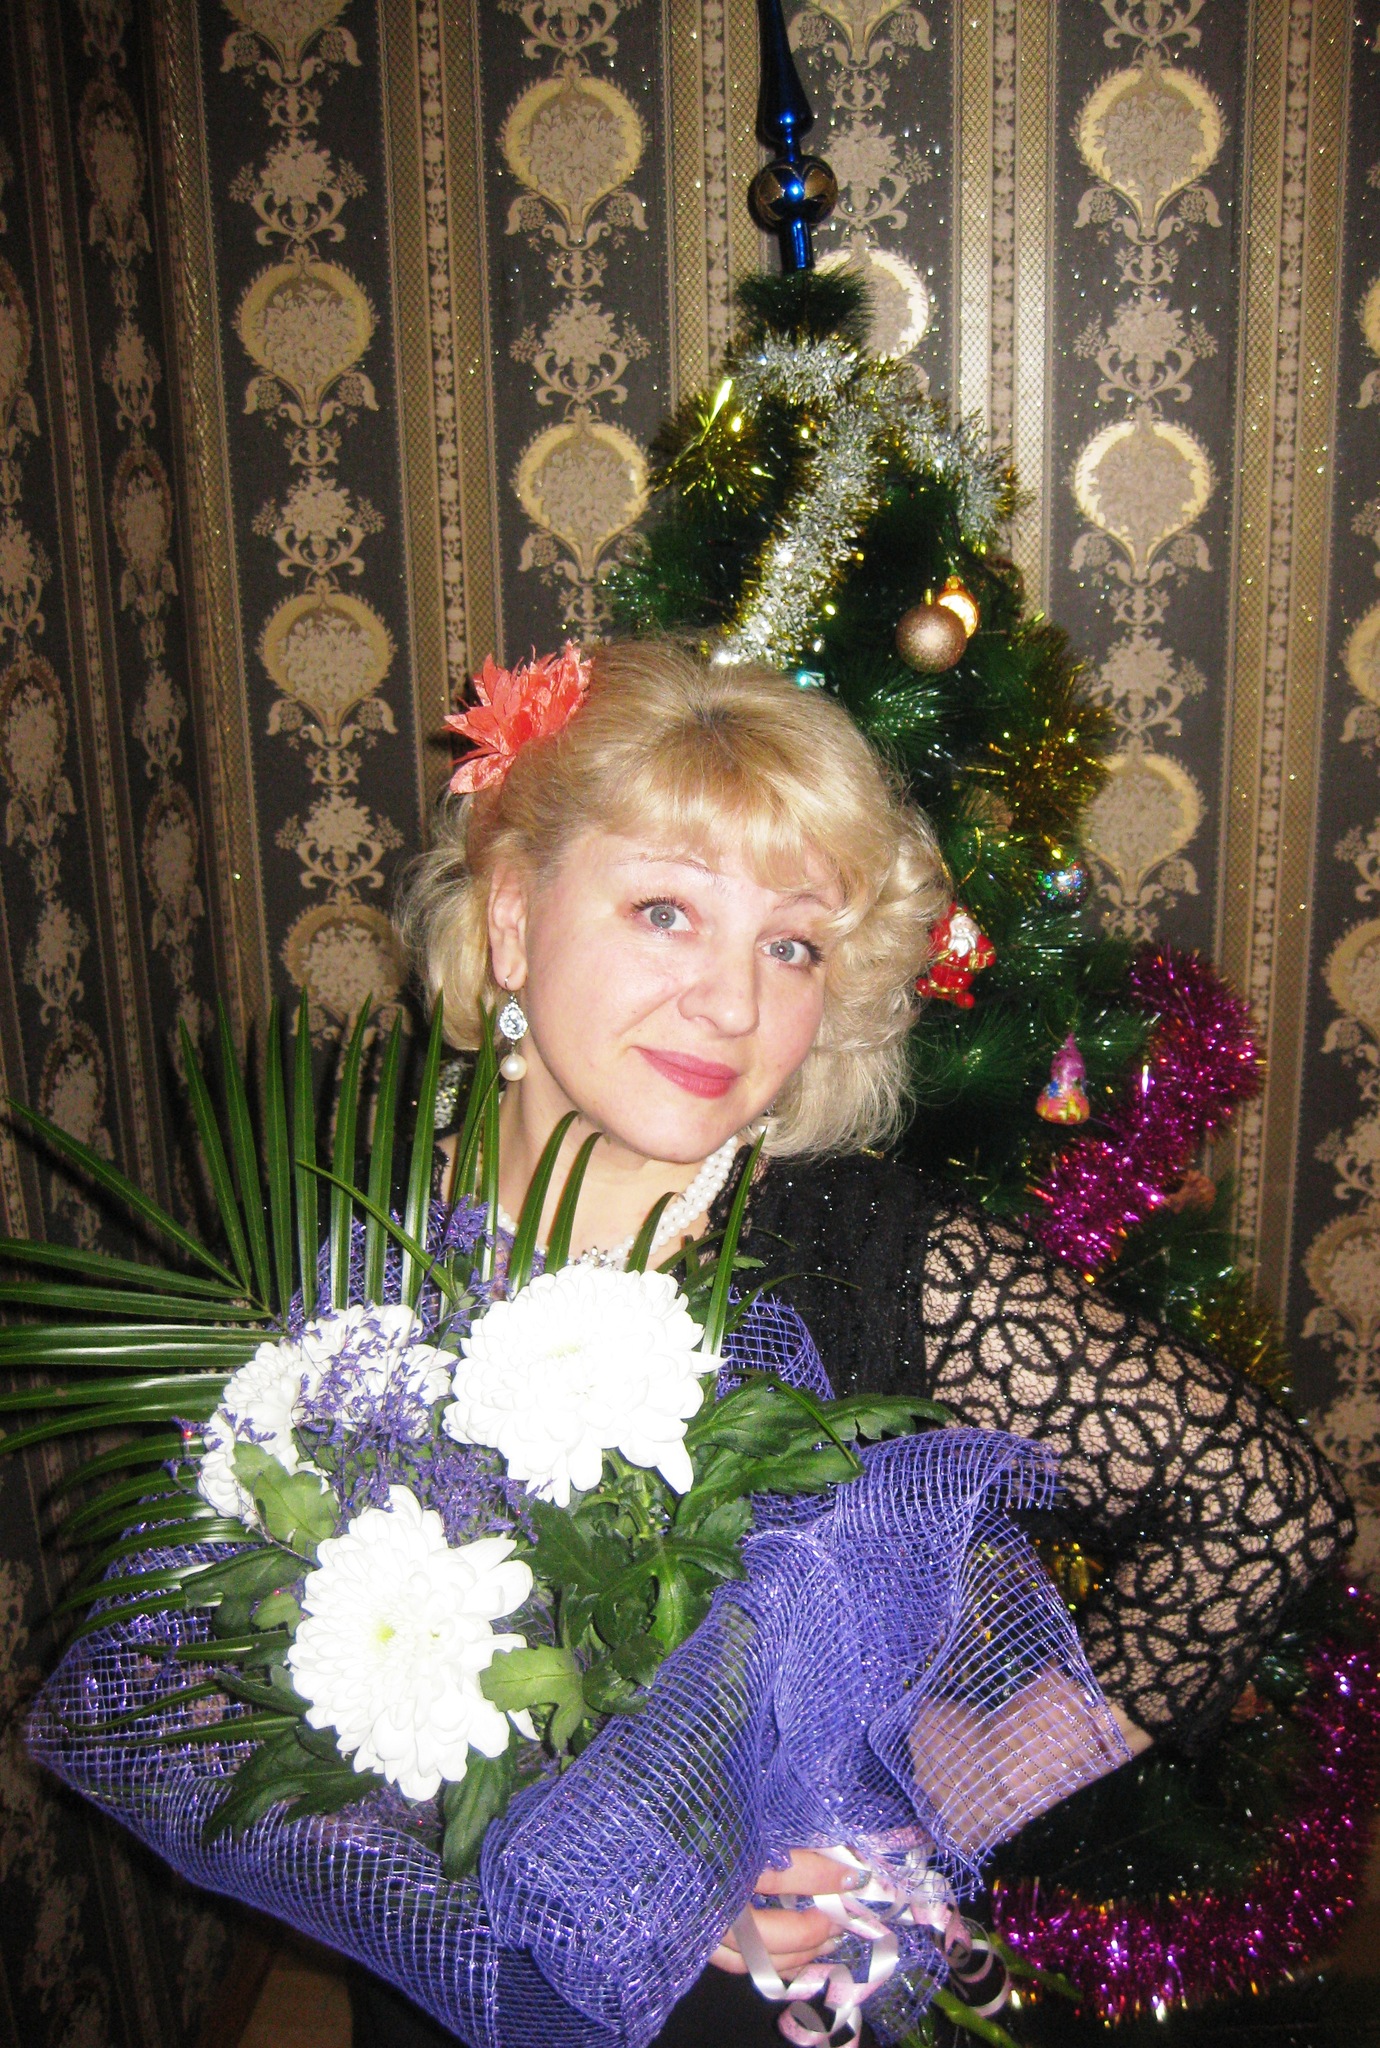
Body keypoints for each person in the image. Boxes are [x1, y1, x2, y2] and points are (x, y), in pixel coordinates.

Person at [353, 639, 1353, 2047]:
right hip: (444, 1981)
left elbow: (1263, 1506)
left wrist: (937, 1796)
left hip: (759, 2007)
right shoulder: (346, 1215)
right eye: (665, 911)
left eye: (793, 946)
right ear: (513, 920)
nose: (734, 1004)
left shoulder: (862, 1256)